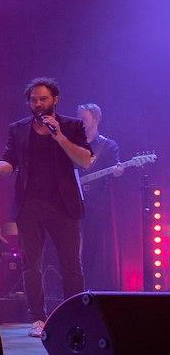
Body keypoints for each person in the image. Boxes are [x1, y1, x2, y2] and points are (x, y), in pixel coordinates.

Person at [0, 77, 91, 338]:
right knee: (32, 264)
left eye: (43, 99)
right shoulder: (18, 128)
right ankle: (38, 318)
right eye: (33, 100)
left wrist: (59, 136)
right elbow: (10, 163)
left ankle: (75, 317)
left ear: (55, 99)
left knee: (71, 264)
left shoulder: (72, 126)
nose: (38, 104)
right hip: (29, 204)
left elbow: (84, 160)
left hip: (64, 205)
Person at [77, 103, 123, 290]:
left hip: (95, 205)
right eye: (78, 118)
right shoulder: (73, 143)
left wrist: (118, 171)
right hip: (71, 201)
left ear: (96, 119)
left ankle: (89, 288)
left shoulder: (108, 145)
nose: (80, 122)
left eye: (84, 119)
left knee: (91, 247)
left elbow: (115, 168)